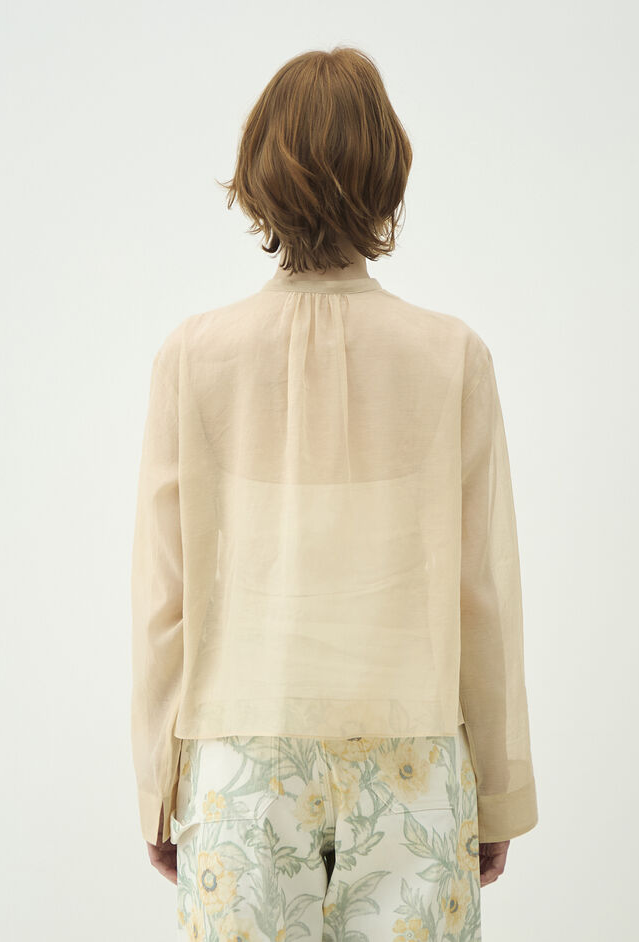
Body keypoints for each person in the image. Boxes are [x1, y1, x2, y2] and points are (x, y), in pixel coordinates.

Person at [131, 45, 538, 939]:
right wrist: (498, 795)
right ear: (388, 174)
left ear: (257, 176)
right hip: (415, 762)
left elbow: (166, 600)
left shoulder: (193, 358)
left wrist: (160, 785)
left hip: (240, 763)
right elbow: (479, 593)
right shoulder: (451, 356)